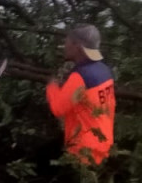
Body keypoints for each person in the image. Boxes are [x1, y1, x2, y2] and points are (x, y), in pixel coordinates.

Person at [46, 25, 116, 165]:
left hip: (83, 152)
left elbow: (58, 108)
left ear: (77, 46)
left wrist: (51, 86)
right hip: (103, 144)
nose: (64, 47)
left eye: (67, 43)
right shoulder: (105, 70)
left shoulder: (81, 77)